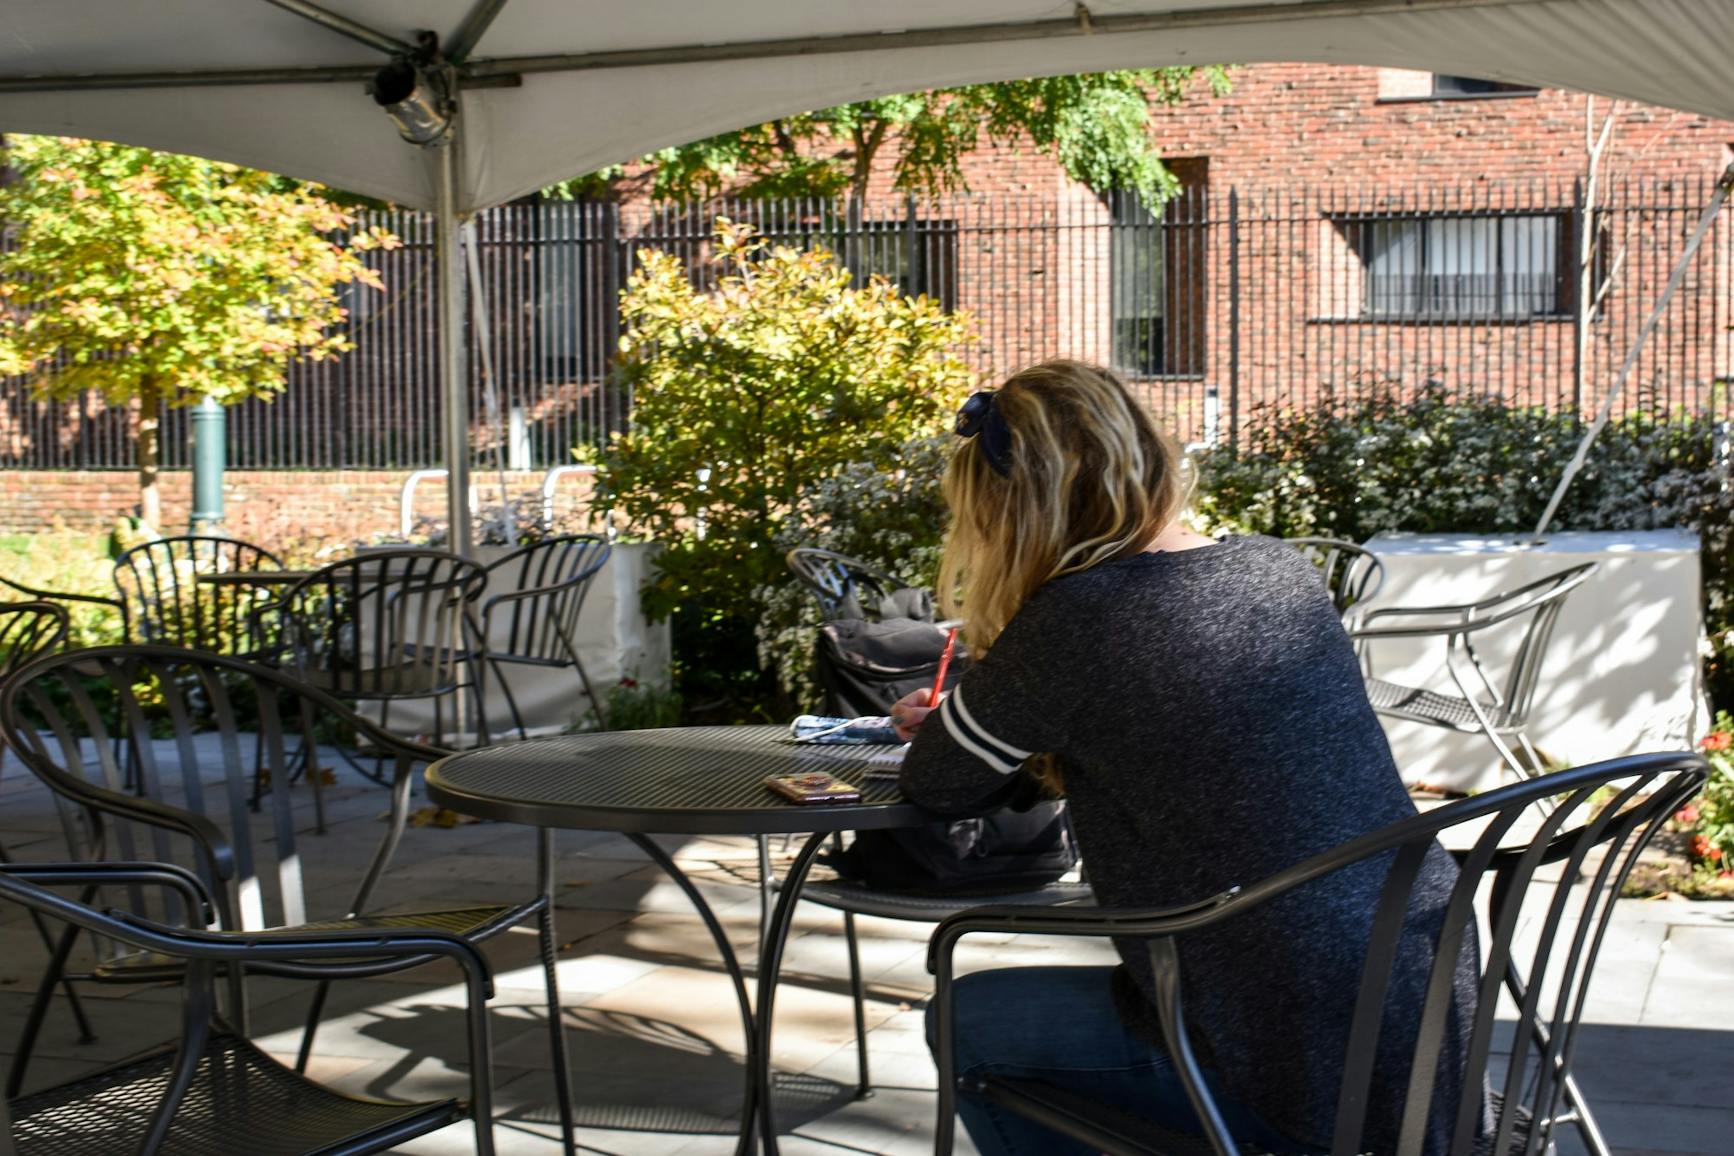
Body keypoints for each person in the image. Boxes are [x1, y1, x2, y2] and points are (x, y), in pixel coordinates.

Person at [892, 360, 1482, 1155]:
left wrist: (966, 717)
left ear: (1016, 513)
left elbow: (937, 783)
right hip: (1420, 1034)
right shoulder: (1278, 568)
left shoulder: (1076, 620)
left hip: (1279, 1061)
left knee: (966, 1021)